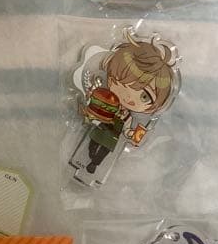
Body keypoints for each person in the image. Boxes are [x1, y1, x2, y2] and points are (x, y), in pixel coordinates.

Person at [76, 31, 177, 177]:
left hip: (113, 137)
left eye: (144, 96)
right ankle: (91, 157)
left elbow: (128, 128)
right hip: (99, 128)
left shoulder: (128, 116)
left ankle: (94, 164)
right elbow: (95, 107)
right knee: (92, 144)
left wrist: (131, 134)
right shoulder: (107, 99)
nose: (129, 97)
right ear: (111, 76)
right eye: (121, 83)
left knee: (104, 151)